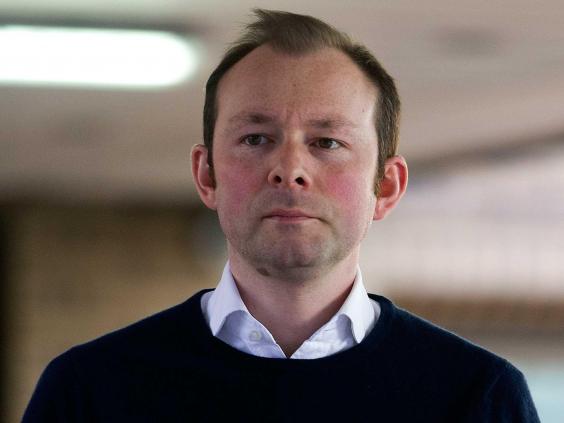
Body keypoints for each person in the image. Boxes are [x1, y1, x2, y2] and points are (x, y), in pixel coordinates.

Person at [24, 9, 539, 422]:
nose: (289, 169)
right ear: (207, 175)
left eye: (327, 142)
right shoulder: (90, 389)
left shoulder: (477, 396)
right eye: (256, 139)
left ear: (385, 186)